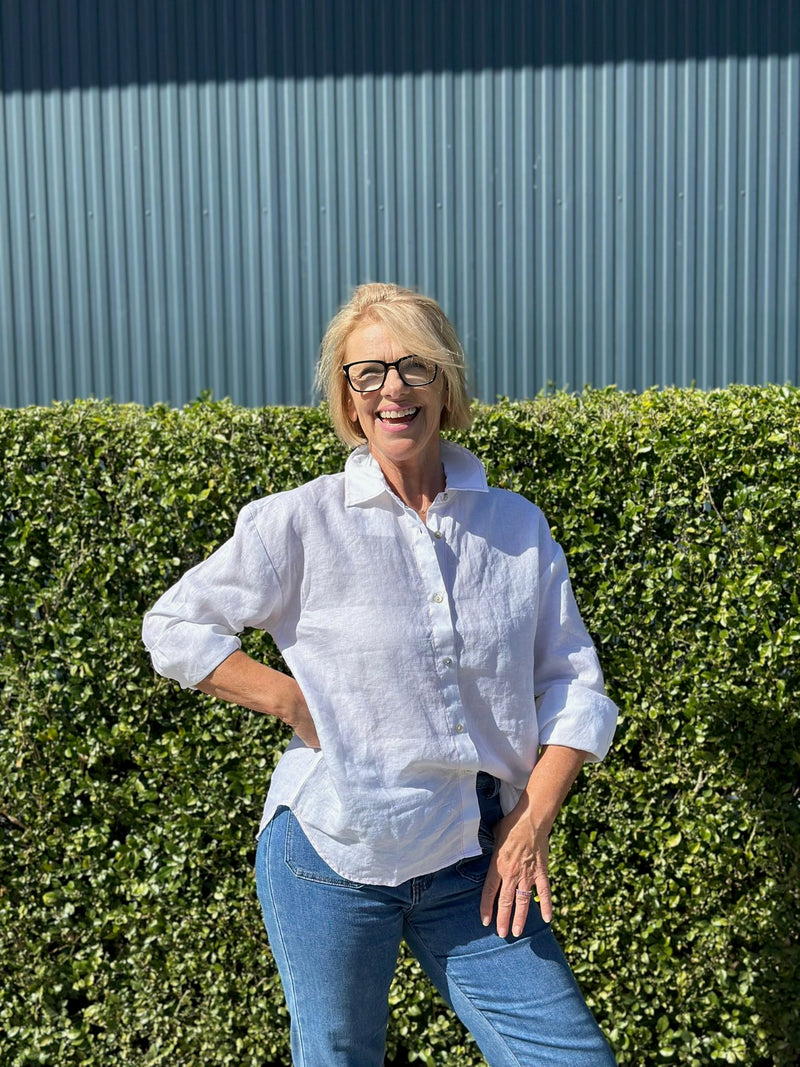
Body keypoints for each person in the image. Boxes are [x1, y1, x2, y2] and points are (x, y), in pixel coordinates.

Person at [142, 282, 618, 1066]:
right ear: (349, 400)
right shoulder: (301, 521)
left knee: (570, 1058)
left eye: (413, 366)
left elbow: (573, 682)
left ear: (446, 384)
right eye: (368, 373)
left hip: (476, 856)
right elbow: (173, 626)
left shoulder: (515, 527)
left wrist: (531, 820)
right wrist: (292, 700)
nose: (392, 388)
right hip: (334, 851)